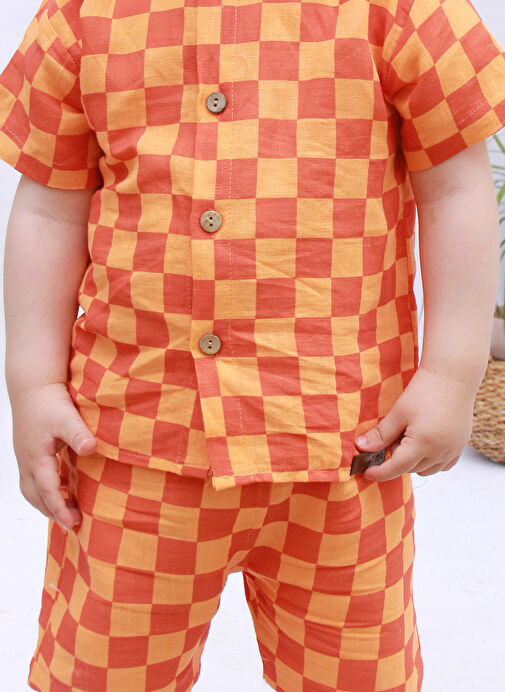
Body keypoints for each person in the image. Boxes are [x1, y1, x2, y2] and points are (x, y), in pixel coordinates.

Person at [1, 0, 504, 689]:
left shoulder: (400, 10)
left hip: (346, 450)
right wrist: (33, 385)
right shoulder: (85, 15)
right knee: (105, 675)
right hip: (136, 442)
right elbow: (49, 207)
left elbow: (453, 189)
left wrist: (450, 374)